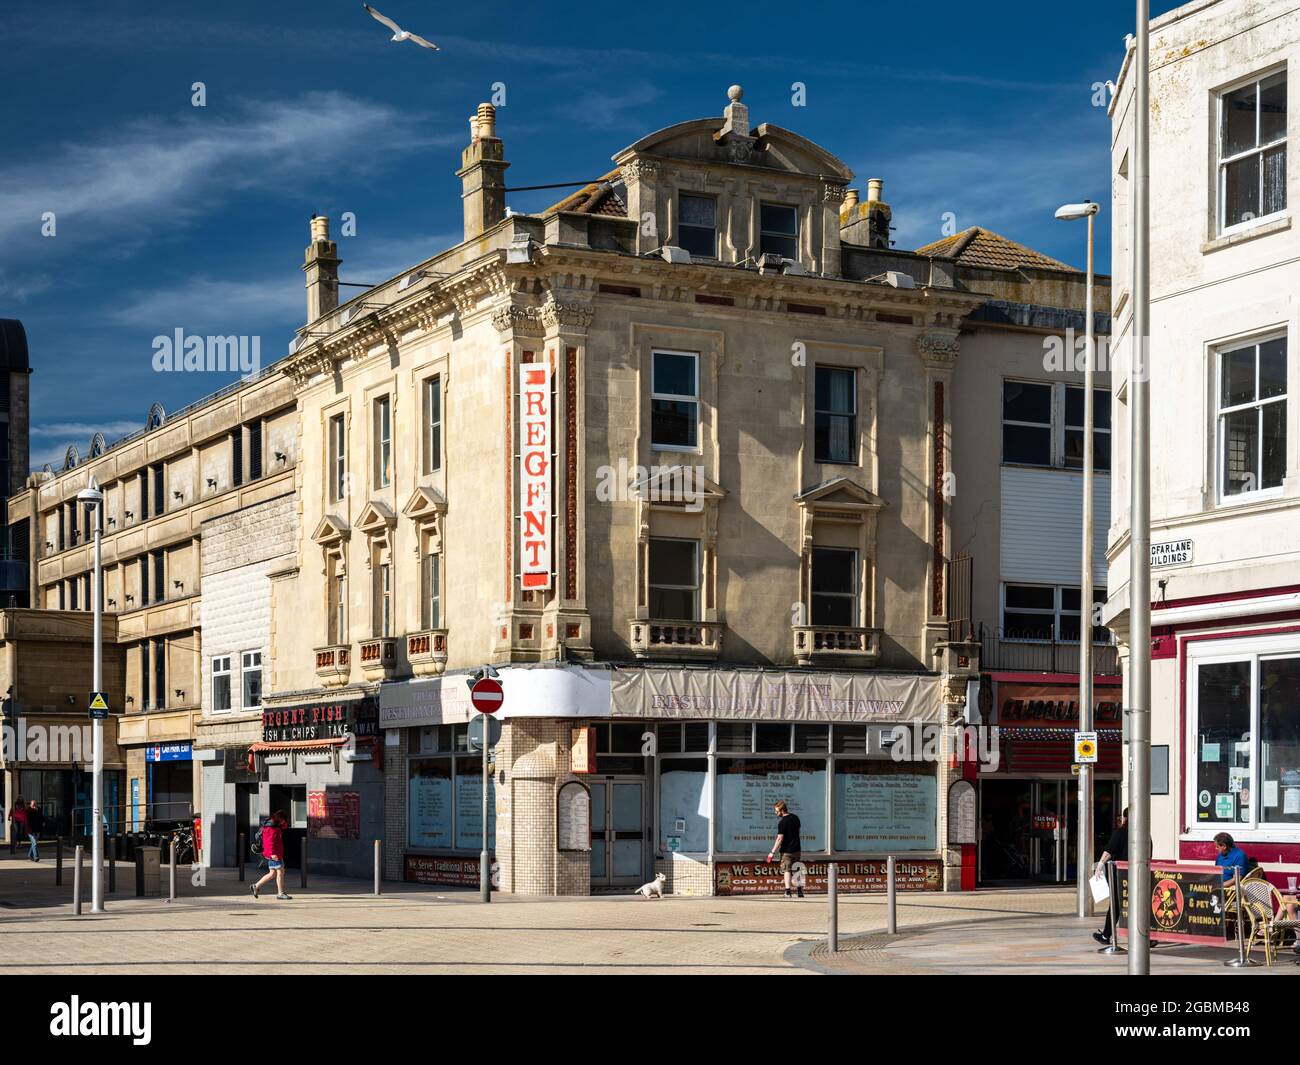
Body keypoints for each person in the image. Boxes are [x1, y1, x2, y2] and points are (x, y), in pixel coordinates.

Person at [1092, 807, 1128, 944]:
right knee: (1140, 905)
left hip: (1121, 876)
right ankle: (1149, 937)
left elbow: (1109, 850)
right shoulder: (1145, 833)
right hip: (1139, 875)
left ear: (1125, 818)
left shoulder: (1121, 832)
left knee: (1115, 905)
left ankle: (1106, 935)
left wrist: (1100, 864)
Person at [250, 810, 292, 901]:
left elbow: (285, 826)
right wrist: (272, 854)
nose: (284, 822)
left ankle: (256, 886)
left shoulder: (273, 826)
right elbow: (269, 843)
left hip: (273, 853)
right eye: (284, 820)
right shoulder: (271, 828)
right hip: (274, 854)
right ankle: (280, 893)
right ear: (280, 819)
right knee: (280, 872)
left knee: (272, 873)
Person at [767, 800, 803, 899]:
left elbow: (779, 838)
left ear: (782, 810)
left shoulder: (782, 822)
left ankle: (788, 892)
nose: (776, 813)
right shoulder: (796, 818)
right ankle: (800, 891)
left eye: (777, 811)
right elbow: (798, 832)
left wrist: (772, 852)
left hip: (786, 851)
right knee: (797, 870)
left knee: (787, 870)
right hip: (797, 849)